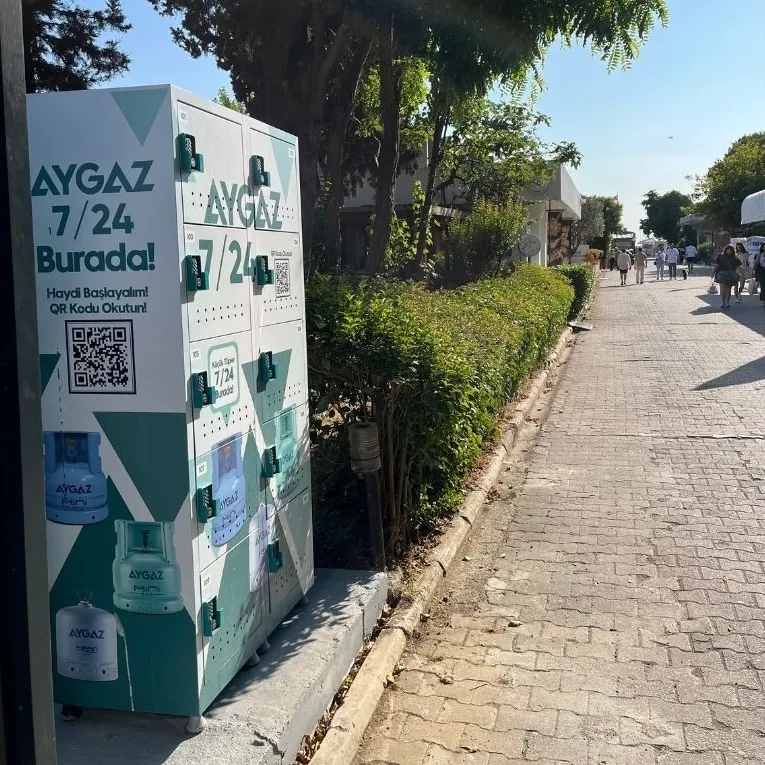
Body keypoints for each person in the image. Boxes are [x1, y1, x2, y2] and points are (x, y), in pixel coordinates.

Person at [714, 244, 741, 309]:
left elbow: (738, 266)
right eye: (728, 250)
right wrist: (714, 272)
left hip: (731, 275)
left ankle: (727, 302)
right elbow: (717, 265)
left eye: (730, 250)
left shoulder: (735, 257)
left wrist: (742, 273)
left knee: (728, 289)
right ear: (725, 250)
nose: (729, 251)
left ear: (733, 251)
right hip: (722, 274)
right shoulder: (720, 256)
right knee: (722, 288)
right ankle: (723, 302)